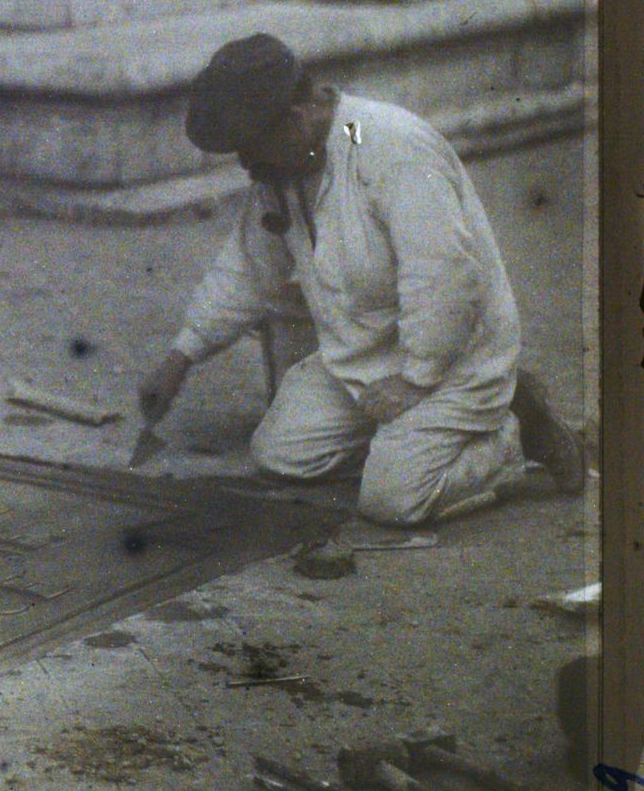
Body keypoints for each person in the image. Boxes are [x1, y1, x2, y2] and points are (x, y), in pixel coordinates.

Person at [137, 32, 584, 527]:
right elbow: (247, 268)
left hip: (454, 359)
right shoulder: (284, 164)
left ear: (295, 118)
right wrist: (181, 357)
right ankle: (417, 443)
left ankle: (513, 436)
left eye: (249, 147)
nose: (245, 164)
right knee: (280, 455)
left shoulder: (388, 144)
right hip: (362, 360)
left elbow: (443, 275)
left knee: (391, 502)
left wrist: (417, 379)